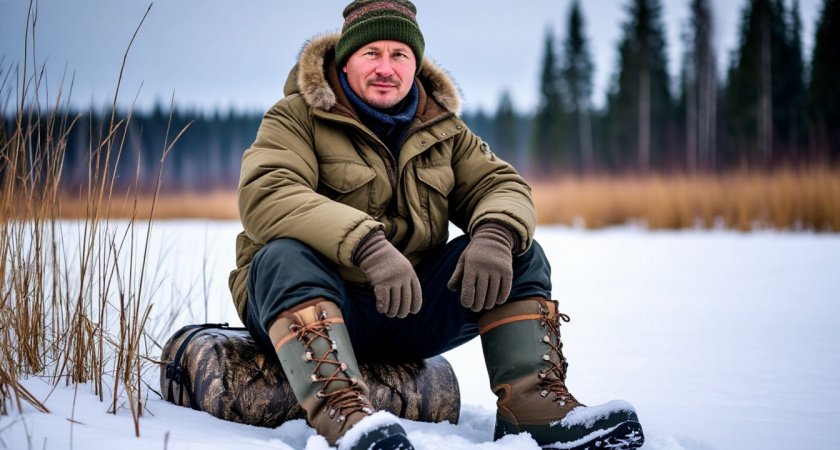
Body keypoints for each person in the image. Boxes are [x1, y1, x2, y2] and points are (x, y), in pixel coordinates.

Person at [229, 1, 644, 449]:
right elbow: (267, 194)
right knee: (282, 256)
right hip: (310, 304)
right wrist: (367, 245)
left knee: (519, 253)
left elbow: (499, 184)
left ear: (416, 63)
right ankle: (345, 417)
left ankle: (532, 409)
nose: (385, 68)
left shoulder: (444, 129)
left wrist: (495, 234)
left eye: (399, 54)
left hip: (405, 306)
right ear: (345, 61)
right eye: (371, 53)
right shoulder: (295, 117)